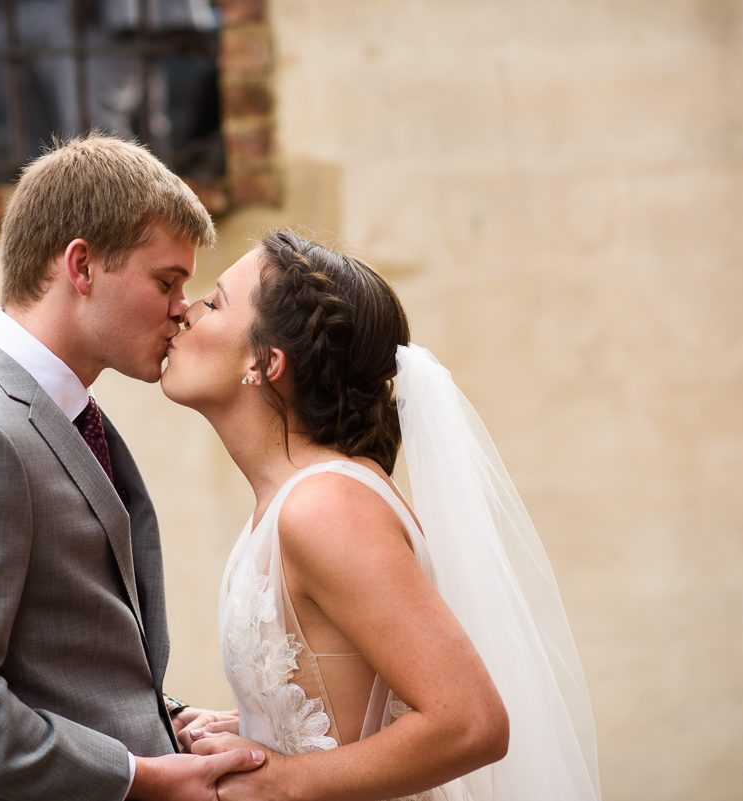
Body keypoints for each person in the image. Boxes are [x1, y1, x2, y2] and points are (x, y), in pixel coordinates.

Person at [0, 134, 264, 801]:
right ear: (81, 266)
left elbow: (57, 664)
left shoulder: (67, 416)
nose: (181, 307)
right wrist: (139, 777)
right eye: (166, 280)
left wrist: (165, 725)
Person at [160, 231, 603, 800]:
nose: (187, 312)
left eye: (215, 302)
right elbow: (346, 701)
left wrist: (283, 781)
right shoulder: (290, 502)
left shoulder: (326, 508)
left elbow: (471, 723)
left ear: (266, 362)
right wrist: (248, 730)